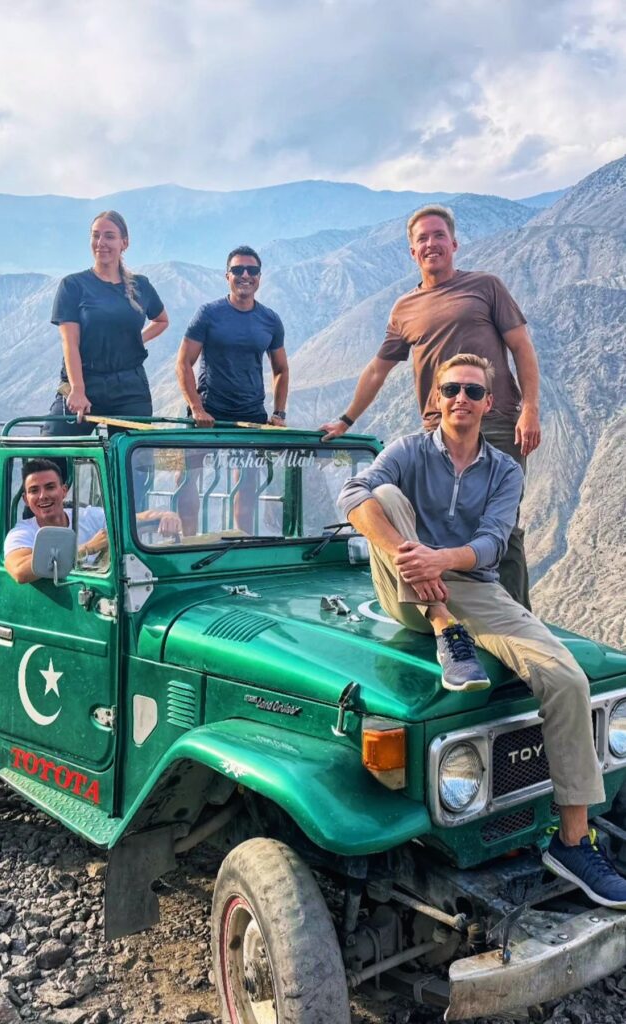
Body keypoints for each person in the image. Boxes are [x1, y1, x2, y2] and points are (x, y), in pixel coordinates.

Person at [338, 353, 626, 909]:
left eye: (473, 391)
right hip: (403, 583)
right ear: (436, 398)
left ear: (488, 403)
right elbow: (353, 494)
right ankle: (443, 626)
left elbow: (494, 542)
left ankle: (572, 841)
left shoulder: (505, 471)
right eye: (452, 389)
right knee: (385, 496)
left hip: (473, 583)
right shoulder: (407, 451)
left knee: (567, 679)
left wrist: (441, 560)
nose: (461, 399)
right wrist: (414, 558)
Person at [320, 204, 540, 608]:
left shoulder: (486, 287)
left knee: (503, 529)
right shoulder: (404, 309)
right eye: (422, 238)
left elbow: (522, 346)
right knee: (436, 524)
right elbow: (378, 369)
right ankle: (445, 612)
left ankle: (515, 615)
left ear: (454, 243)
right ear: (412, 251)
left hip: (494, 422)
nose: (431, 243)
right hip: (436, 431)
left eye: (439, 235)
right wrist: (346, 419)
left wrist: (530, 409)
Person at [175, 246, 290, 533]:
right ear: (227, 276)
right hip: (208, 412)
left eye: (252, 270)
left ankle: (243, 541)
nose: (245, 275)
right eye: (238, 270)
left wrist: (279, 413)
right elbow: (183, 363)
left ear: (260, 277)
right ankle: (187, 543)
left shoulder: (270, 319)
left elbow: (281, 369)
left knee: (247, 484)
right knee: (186, 477)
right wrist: (196, 408)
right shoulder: (208, 314)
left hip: (250, 413)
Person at [46, 211, 169, 437]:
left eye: (109, 236)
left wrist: (136, 340)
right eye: (96, 235)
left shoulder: (141, 285)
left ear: (124, 243)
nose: (101, 242)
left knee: (132, 455)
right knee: (51, 450)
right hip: (85, 380)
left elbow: (161, 320)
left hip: (130, 387)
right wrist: (78, 390)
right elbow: (70, 344)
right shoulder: (73, 285)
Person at [5, 459, 181, 583]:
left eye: (50, 487)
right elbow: (19, 571)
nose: (43, 496)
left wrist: (167, 515)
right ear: (26, 499)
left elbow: (137, 518)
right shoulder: (22, 533)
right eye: (34, 490)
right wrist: (88, 548)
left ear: (63, 491)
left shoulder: (87, 516)